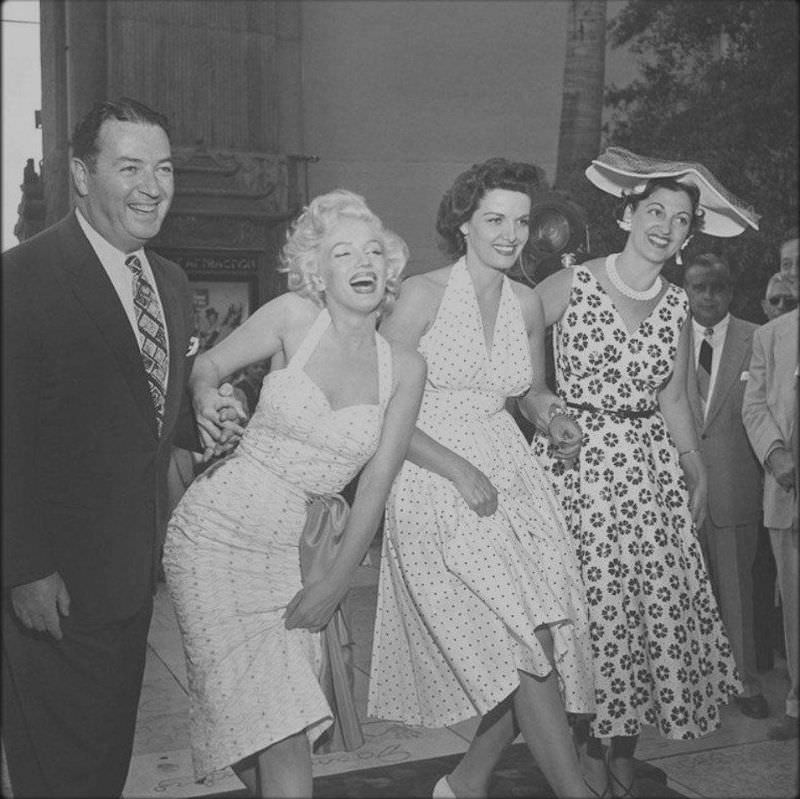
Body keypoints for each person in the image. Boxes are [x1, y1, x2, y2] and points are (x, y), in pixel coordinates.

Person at [1, 98, 234, 798]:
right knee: (57, 769)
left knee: (103, 762)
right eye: (129, 166)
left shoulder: (169, 280)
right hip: (54, 583)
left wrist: (202, 417)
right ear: (80, 173)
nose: (152, 185)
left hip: (130, 579)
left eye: (163, 168)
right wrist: (26, 565)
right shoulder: (22, 281)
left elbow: (138, 409)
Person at [163, 190, 426, 797]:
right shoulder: (292, 318)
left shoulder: (405, 367)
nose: (363, 262)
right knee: (259, 722)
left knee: (276, 722)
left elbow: (376, 489)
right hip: (215, 535)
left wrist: (334, 585)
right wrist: (208, 400)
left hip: (298, 556)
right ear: (319, 271)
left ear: (389, 268)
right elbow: (206, 367)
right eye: (342, 252)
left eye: (374, 251)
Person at [532, 147, 757, 797]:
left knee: (635, 618)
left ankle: (620, 746)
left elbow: (675, 398)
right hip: (577, 469)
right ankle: (581, 746)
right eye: (654, 210)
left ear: (689, 236)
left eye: (680, 219)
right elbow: (519, 372)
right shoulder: (570, 284)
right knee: (584, 618)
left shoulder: (678, 305)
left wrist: (696, 467)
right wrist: (548, 412)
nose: (665, 225)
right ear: (628, 214)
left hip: (647, 475)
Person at [368, 158, 595, 799]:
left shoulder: (527, 301)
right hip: (431, 471)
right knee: (525, 644)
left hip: (511, 474)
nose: (510, 234)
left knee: (539, 640)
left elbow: (530, 392)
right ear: (463, 223)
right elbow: (379, 405)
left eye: (521, 222)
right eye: (494, 219)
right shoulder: (422, 295)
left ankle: (465, 784)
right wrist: (456, 467)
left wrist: (553, 418)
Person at [683, 253, 767, 718]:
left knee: (736, 593)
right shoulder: (667, 335)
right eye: (699, 287)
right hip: (677, 491)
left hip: (736, 487)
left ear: (730, 293)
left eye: (717, 288)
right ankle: (686, 683)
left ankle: (745, 682)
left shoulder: (757, 339)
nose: (708, 297)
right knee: (677, 594)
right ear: (687, 291)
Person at [742, 278, 798, 742]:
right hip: (788, 490)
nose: (793, 273)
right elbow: (755, 405)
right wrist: (775, 453)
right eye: (785, 266)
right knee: (795, 605)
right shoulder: (773, 335)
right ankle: (798, 705)